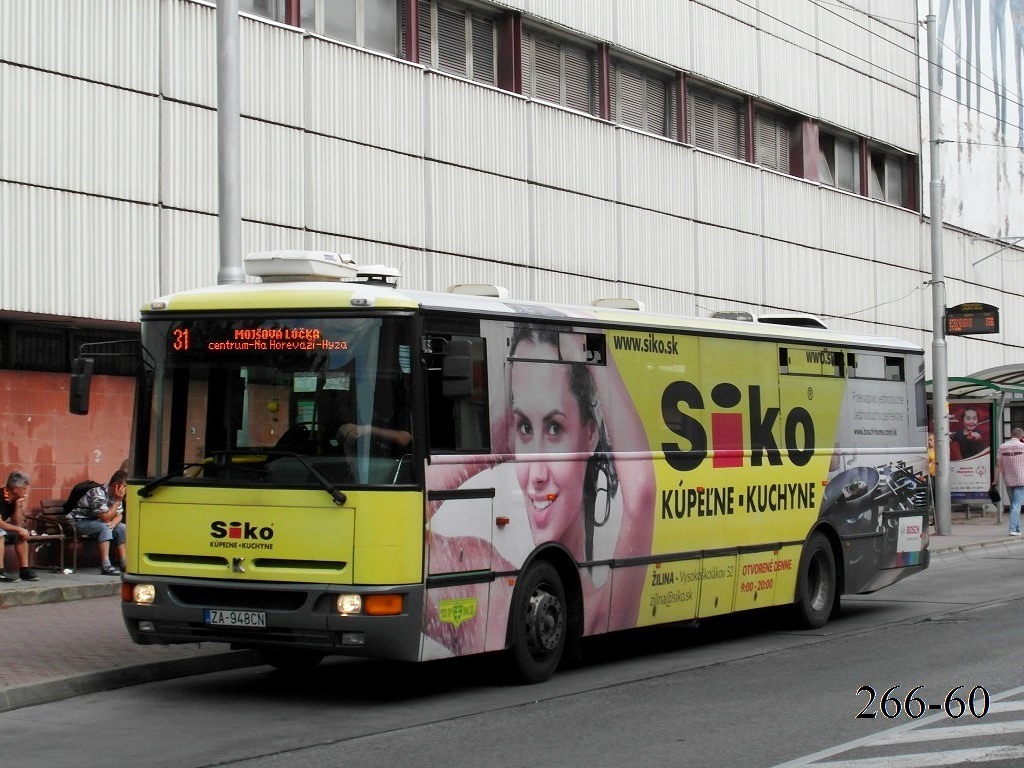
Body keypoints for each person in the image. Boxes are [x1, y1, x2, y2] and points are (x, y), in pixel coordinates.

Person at [68, 469, 128, 575]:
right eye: (125, 486)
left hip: (97, 522)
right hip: (79, 521)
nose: (126, 490)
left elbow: (119, 514)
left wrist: (113, 524)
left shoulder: (116, 495)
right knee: (104, 527)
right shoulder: (98, 493)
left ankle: (124, 562)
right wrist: (118, 501)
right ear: (116, 485)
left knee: (122, 527)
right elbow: (105, 518)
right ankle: (106, 565)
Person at [0, 471, 39, 582]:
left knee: (20, 534)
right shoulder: (1, 496)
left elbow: (16, 522)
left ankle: (24, 569)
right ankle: (0, 572)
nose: (26, 492)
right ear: (15, 489)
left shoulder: (13, 498)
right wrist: (19, 529)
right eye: (24, 489)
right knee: (0, 534)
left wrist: (17, 506)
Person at [993, 427, 1024, 536]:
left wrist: (995, 480)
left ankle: (1017, 529)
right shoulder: (1023, 446)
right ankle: (1012, 529)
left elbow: (998, 466)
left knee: (1013, 504)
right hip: (1021, 479)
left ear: (1011, 435)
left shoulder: (1002, 447)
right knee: (1017, 504)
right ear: (1021, 437)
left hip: (1008, 480)